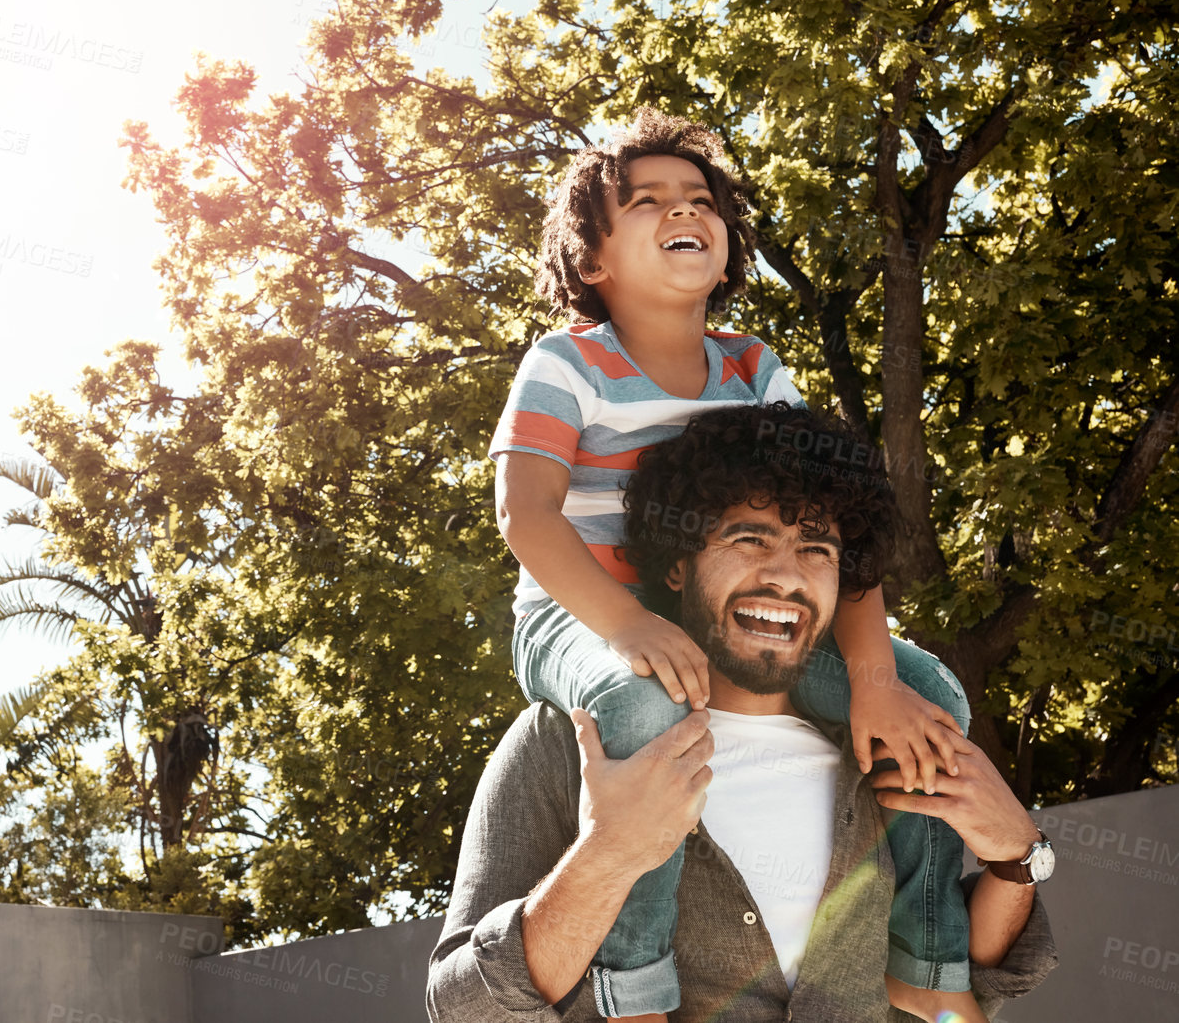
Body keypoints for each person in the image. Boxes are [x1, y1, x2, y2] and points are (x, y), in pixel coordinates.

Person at [491, 108, 981, 1018]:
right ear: (592, 260)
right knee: (646, 706)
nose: (685, 208)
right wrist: (628, 624)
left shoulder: (754, 367)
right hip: (580, 615)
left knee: (935, 703)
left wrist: (873, 680)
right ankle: (633, 985)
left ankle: (930, 958)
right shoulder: (567, 364)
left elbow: (835, 517)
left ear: (725, 247)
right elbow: (526, 516)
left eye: (701, 199)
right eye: (648, 200)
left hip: (721, 609)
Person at [428, 403, 1059, 1021]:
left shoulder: (892, 740)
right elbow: (464, 1010)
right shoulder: (568, 740)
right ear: (679, 566)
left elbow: (970, 992)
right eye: (749, 539)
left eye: (817, 551)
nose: (785, 577)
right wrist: (609, 852)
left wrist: (1016, 858)